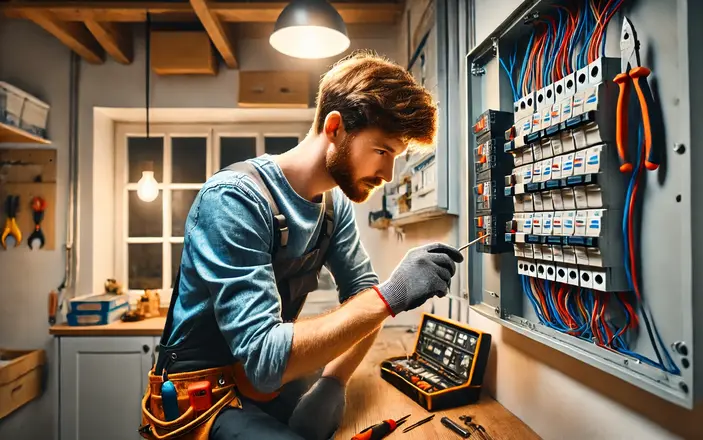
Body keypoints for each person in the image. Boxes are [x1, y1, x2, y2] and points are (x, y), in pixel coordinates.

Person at [138, 51, 464, 440]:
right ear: (335, 127)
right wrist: (393, 293)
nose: (388, 174)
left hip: (261, 384)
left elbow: (363, 296)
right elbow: (263, 357)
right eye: (382, 151)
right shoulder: (234, 200)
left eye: (396, 157)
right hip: (199, 399)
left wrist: (334, 382)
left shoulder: (333, 206)